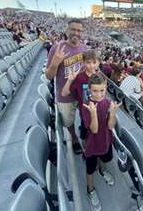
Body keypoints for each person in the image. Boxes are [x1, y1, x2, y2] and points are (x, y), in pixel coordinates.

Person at [45, 18, 87, 154]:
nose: (76, 33)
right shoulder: (57, 48)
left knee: (84, 115)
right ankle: (74, 139)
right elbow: (48, 76)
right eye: (73, 29)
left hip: (81, 93)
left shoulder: (83, 47)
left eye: (79, 30)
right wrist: (55, 63)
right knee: (69, 122)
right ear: (67, 30)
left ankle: (82, 131)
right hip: (65, 95)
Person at [82, 74, 120, 211]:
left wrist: (113, 113)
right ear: (89, 91)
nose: (99, 94)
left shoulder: (108, 102)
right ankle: (90, 189)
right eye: (95, 91)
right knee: (90, 169)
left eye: (102, 91)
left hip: (105, 140)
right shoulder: (86, 106)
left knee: (104, 158)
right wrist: (93, 112)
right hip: (92, 144)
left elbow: (110, 126)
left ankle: (102, 170)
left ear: (106, 89)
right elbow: (95, 129)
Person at [61, 50, 100, 143]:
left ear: (98, 62)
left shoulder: (99, 77)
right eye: (88, 62)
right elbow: (64, 93)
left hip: (97, 112)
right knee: (86, 137)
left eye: (94, 62)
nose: (92, 65)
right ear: (83, 63)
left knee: (95, 134)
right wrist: (70, 80)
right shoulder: (79, 78)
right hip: (85, 115)